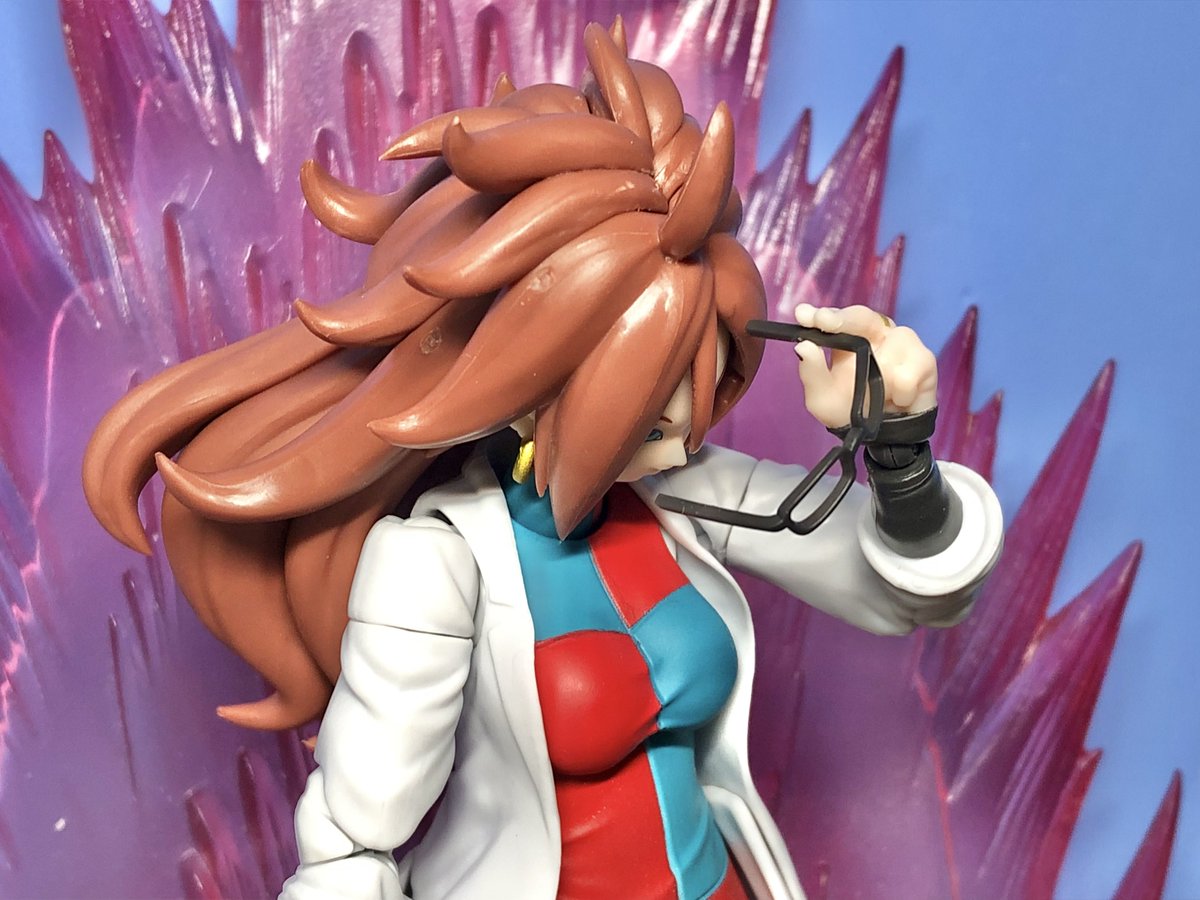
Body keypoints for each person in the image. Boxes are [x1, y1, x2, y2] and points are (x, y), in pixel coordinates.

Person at [83, 19, 1001, 900]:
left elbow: (909, 593)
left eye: (697, 377)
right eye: (645, 401)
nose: (682, 429)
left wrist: (898, 448)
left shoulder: (683, 493)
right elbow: (354, 844)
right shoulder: (436, 565)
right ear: (530, 377)